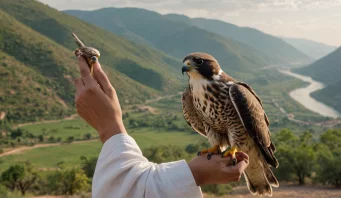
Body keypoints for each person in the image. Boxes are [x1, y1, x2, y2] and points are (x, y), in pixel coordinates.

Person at [73, 57, 249, 198]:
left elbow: (128, 189)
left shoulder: (234, 90)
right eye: (186, 64)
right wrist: (194, 173)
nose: (187, 66)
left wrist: (109, 126)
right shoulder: (191, 95)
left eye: (197, 63)